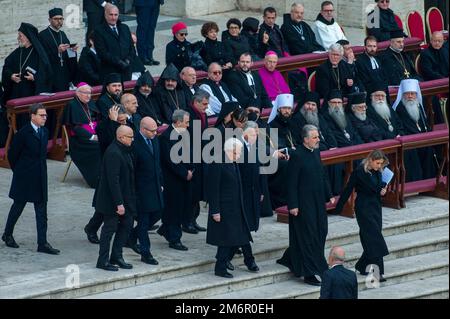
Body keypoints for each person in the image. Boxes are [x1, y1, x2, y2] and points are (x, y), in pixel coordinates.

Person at [277, 124, 334, 286]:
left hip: (317, 201)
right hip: (303, 203)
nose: (318, 140)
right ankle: (309, 273)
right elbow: (291, 183)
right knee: (307, 235)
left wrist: (329, 194)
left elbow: (322, 174)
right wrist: (293, 205)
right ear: (305, 139)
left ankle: (290, 259)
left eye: (318, 136)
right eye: (315, 137)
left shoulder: (315, 151)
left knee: (321, 230)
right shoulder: (297, 155)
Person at [2, 103, 59, 255]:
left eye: (45, 115)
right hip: (25, 177)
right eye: (41, 115)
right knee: (18, 206)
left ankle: (42, 243)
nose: (44, 118)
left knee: (41, 211)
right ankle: (7, 234)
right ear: (32, 116)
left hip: (40, 176)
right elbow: (13, 155)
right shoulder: (23, 133)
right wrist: (20, 171)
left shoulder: (45, 131)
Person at [335, 150, 390, 282]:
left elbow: (378, 188)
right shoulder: (359, 172)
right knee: (374, 238)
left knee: (372, 237)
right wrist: (338, 207)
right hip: (363, 208)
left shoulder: (378, 171)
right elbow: (348, 189)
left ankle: (361, 265)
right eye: (377, 163)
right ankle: (377, 272)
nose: (379, 166)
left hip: (376, 207)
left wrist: (383, 189)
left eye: (381, 164)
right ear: (370, 160)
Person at [206, 137, 257, 278]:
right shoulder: (218, 162)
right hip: (224, 208)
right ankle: (220, 268)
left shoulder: (232, 162)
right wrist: (215, 210)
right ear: (230, 151)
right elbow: (213, 189)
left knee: (236, 237)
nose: (240, 154)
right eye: (238, 152)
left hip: (235, 207)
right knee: (226, 239)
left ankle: (224, 263)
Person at [96, 125, 136, 271]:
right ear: (121, 137)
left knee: (127, 224)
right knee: (109, 229)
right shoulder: (113, 152)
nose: (133, 139)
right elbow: (113, 181)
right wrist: (119, 203)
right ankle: (103, 260)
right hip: (112, 201)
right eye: (130, 137)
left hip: (125, 197)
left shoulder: (125, 150)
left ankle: (117, 256)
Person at [158, 110, 193, 251]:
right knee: (174, 210)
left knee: (181, 208)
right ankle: (174, 238)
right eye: (186, 122)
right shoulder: (166, 138)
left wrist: (191, 169)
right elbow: (171, 160)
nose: (188, 125)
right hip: (172, 180)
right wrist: (185, 173)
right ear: (178, 122)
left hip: (184, 177)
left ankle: (166, 229)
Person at [132, 117, 162, 265]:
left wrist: (161, 182)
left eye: (156, 129)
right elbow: (133, 170)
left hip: (156, 187)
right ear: (143, 129)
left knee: (159, 213)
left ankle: (131, 236)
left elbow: (158, 163)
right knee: (143, 222)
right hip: (141, 190)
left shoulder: (154, 139)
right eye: (152, 130)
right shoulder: (135, 143)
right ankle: (146, 253)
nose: (155, 133)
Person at [392, 79, 437, 181]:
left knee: (430, 148)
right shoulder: (400, 108)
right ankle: (419, 181)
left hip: (421, 139)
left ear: (417, 95)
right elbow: (404, 127)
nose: (410, 96)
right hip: (410, 142)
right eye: (407, 94)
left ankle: (430, 179)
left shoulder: (418, 105)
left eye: (413, 93)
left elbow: (425, 124)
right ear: (403, 95)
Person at [62, 83, 101, 188]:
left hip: (94, 137)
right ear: (77, 93)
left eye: (90, 93)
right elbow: (76, 128)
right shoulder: (72, 105)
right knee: (99, 147)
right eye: (85, 93)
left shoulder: (91, 103)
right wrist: (92, 137)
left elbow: (98, 121)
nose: (88, 96)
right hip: (79, 142)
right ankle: (95, 179)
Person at [1, 23, 52, 104]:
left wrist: (35, 78)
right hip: (17, 94)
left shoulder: (39, 54)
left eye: (20, 36)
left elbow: (47, 74)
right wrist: (11, 76)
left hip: (32, 95)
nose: (18, 38)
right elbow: (6, 67)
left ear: (28, 37)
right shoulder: (17, 52)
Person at [183, 90, 210, 234]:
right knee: (192, 193)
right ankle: (187, 222)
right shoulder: (189, 115)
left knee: (198, 192)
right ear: (196, 102)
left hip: (201, 157)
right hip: (192, 158)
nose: (207, 107)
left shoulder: (202, 114)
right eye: (205, 104)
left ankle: (193, 219)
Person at [39, 8, 78, 92]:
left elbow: (68, 56)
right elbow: (42, 57)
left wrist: (72, 51)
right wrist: (57, 51)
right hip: (51, 75)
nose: (59, 21)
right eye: (56, 19)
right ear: (49, 20)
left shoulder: (63, 34)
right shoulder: (42, 35)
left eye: (61, 19)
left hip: (64, 74)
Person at [94, 4, 135, 81]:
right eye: (111, 15)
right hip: (110, 72)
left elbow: (131, 48)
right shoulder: (99, 31)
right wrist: (119, 62)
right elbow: (102, 52)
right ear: (105, 15)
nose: (113, 18)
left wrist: (128, 60)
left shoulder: (125, 28)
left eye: (115, 15)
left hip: (126, 71)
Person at [134, 0, 163, 66]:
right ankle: (142, 56)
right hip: (143, 3)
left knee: (151, 29)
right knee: (143, 28)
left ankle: (149, 55)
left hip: (155, 3)